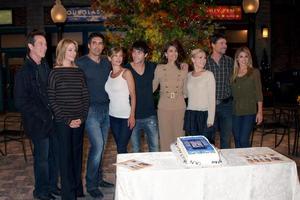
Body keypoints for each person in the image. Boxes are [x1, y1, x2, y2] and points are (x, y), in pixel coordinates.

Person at [14, 30, 59, 200]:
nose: (45, 47)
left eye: (45, 44)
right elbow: (20, 101)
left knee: (54, 156)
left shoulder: (45, 66)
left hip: (52, 121)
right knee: (42, 159)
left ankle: (52, 186)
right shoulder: (23, 72)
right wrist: (43, 115)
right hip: (37, 123)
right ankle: (41, 191)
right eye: (40, 43)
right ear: (30, 46)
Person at [47, 39, 89, 199]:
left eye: (75, 50)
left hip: (79, 120)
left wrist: (82, 117)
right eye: (70, 50)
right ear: (62, 51)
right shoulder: (54, 72)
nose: (73, 53)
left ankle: (77, 188)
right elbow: (52, 100)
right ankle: (68, 194)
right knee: (65, 157)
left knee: (77, 155)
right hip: (62, 122)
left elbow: (85, 95)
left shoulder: (79, 72)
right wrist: (67, 120)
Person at [76, 32, 114, 199]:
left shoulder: (107, 62)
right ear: (89, 45)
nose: (98, 46)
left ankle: (98, 178)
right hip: (90, 110)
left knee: (103, 146)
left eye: (100, 43)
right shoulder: (80, 63)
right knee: (97, 146)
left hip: (107, 109)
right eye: (94, 43)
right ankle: (91, 184)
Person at [153, 40, 188, 151]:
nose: (174, 53)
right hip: (164, 107)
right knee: (165, 138)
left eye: (176, 51)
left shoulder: (184, 68)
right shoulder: (159, 68)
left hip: (180, 106)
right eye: (171, 51)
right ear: (166, 54)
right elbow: (153, 87)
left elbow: (186, 89)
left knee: (180, 138)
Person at [125, 41, 159, 152]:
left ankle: (154, 170)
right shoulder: (126, 69)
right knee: (136, 149)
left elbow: (167, 68)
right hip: (133, 116)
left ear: (145, 55)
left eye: (139, 52)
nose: (135, 55)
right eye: (134, 52)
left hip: (150, 115)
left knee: (155, 148)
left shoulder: (152, 67)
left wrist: (183, 65)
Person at [105, 47, 136, 153]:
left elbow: (133, 95)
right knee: (119, 147)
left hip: (125, 117)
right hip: (112, 116)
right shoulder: (109, 74)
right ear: (110, 58)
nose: (119, 58)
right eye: (115, 55)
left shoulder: (126, 73)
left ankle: (125, 169)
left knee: (122, 147)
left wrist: (132, 116)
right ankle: (124, 168)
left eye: (121, 55)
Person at [205, 33, 234, 148]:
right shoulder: (205, 62)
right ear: (213, 45)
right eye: (221, 43)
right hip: (209, 106)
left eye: (225, 43)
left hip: (226, 105)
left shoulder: (230, 61)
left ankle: (225, 164)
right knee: (209, 137)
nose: (225, 45)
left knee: (226, 138)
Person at [231, 46, 263, 148]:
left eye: (246, 56)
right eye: (241, 56)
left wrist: (260, 112)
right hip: (235, 111)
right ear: (237, 58)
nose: (243, 59)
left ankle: (248, 162)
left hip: (249, 111)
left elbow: (259, 93)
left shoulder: (254, 72)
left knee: (243, 140)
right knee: (237, 139)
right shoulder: (233, 74)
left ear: (249, 58)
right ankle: (240, 163)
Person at [184, 49, 216, 138]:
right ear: (193, 59)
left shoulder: (209, 75)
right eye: (200, 57)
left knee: (204, 146)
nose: (203, 60)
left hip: (204, 115)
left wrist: (210, 119)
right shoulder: (188, 75)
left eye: (205, 58)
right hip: (191, 114)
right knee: (191, 145)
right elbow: (185, 95)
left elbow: (212, 99)